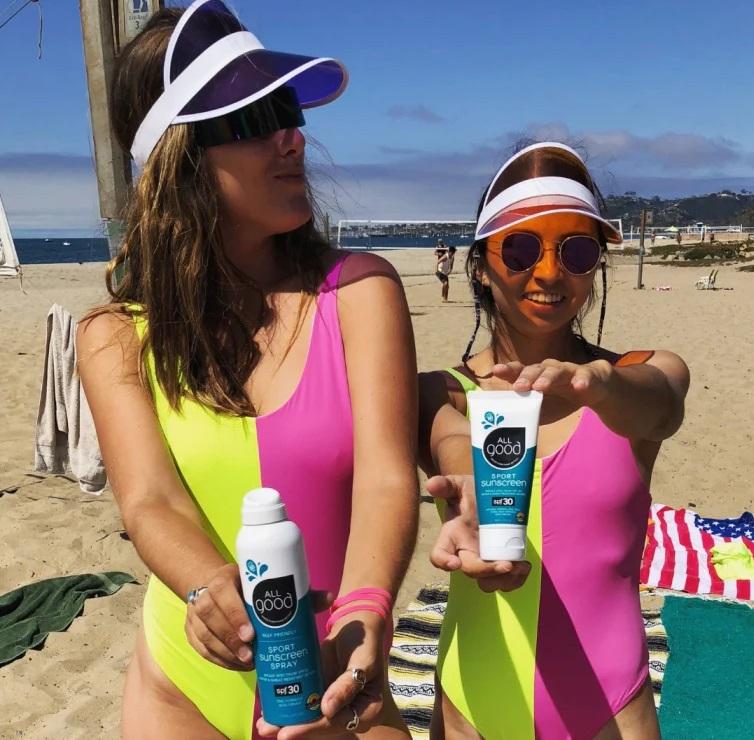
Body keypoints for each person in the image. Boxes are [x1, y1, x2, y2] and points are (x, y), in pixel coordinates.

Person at [76, 3, 417, 739]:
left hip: (341, 683)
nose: (292, 137)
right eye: (250, 119)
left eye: (287, 110)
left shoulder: (360, 292)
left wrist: (365, 614)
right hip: (183, 692)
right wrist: (206, 589)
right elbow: (149, 503)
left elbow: (388, 476)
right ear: (179, 159)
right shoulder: (115, 339)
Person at [418, 142, 690, 739]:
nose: (547, 274)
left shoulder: (641, 374)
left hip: (610, 707)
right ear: (482, 264)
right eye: (519, 249)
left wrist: (597, 383)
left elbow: (660, 406)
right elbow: (451, 437)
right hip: (473, 705)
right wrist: (467, 483)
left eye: (576, 252)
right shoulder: (440, 392)